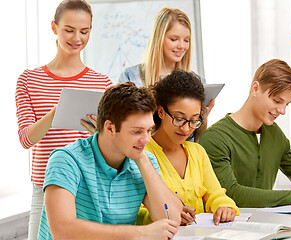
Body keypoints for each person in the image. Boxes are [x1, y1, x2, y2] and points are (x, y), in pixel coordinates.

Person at [15, 1, 112, 239]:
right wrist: (58, 110)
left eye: (84, 31)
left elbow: (114, 145)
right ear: (54, 28)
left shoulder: (103, 84)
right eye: (69, 29)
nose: (77, 38)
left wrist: (99, 134)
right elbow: (26, 139)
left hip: (89, 188)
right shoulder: (29, 80)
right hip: (46, 188)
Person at [37, 82, 182, 239]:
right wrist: (140, 233)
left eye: (149, 130)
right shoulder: (66, 160)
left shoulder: (143, 161)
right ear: (110, 128)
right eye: (137, 131)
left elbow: (171, 219)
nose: (146, 140)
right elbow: (62, 230)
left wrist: (142, 159)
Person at [199, 59, 291, 208]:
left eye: (286, 104)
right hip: (226, 228)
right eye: (277, 101)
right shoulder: (215, 138)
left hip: (268, 225)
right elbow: (230, 193)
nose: (282, 111)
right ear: (255, 89)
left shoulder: (274, 133)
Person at [139, 70, 239, 226]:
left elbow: (216, 194)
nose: (186, 129)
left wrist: (224, 206)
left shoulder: (197, 152)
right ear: (161, 112)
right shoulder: (141, 153)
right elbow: (133, 209)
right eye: (179, 119)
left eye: (194, 120)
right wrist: (166, 215)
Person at [118, 7, 214, 142]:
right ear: (159, 39)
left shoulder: (197, 82)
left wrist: (201, 120)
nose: (182, 46)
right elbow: (125, 128)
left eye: (186, 40)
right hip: (142, 154)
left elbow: (195, 140)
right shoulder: (131, 77)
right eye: (174, 39)